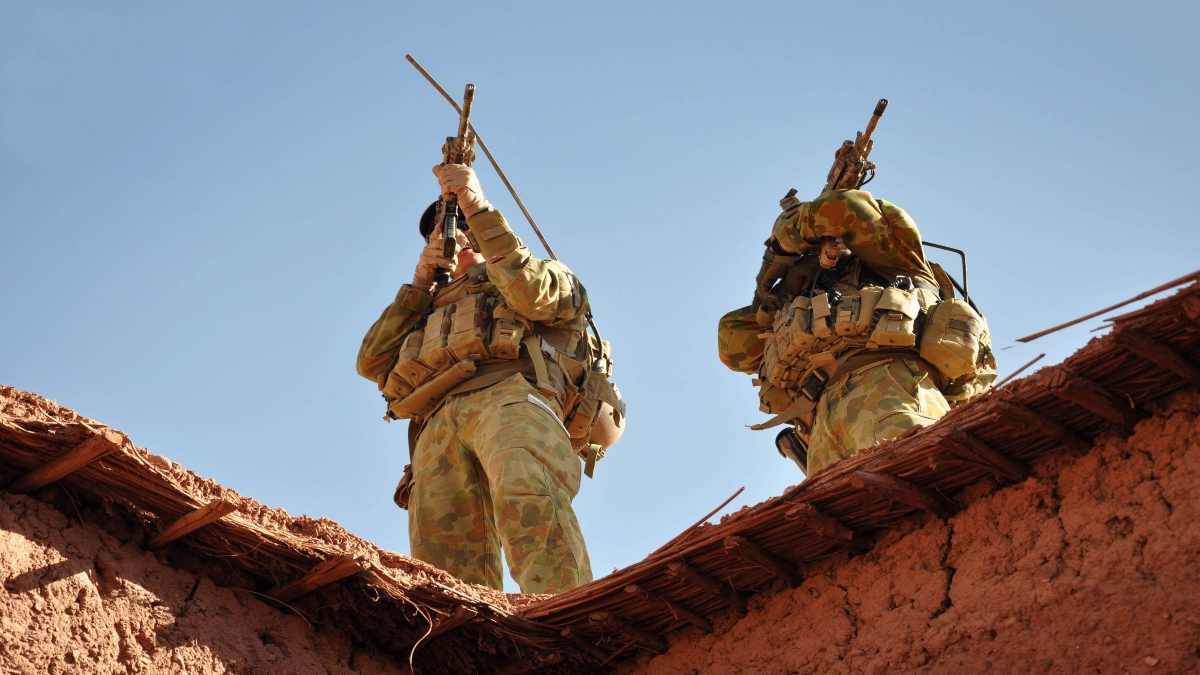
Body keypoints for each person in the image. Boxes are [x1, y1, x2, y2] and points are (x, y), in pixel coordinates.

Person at [356, 163, 623, 594]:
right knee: (441, 552)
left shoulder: (539, 273)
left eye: (462, 226)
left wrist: (477, 207)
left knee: (526, 494)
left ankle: (564, 612)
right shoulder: (426, 306)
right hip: (436, 422)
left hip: (513, 395)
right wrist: (421, 283)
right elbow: (372, 362)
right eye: (441, 231)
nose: (453, 236)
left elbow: (531, 290)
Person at [718, 188, 995, 476]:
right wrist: (780, 290)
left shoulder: (894, 260)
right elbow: (732, 343)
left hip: (888, 385)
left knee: (922, 470)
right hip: (820, 423)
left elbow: (846, 206)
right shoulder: (799, 298)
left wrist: (783, 247)